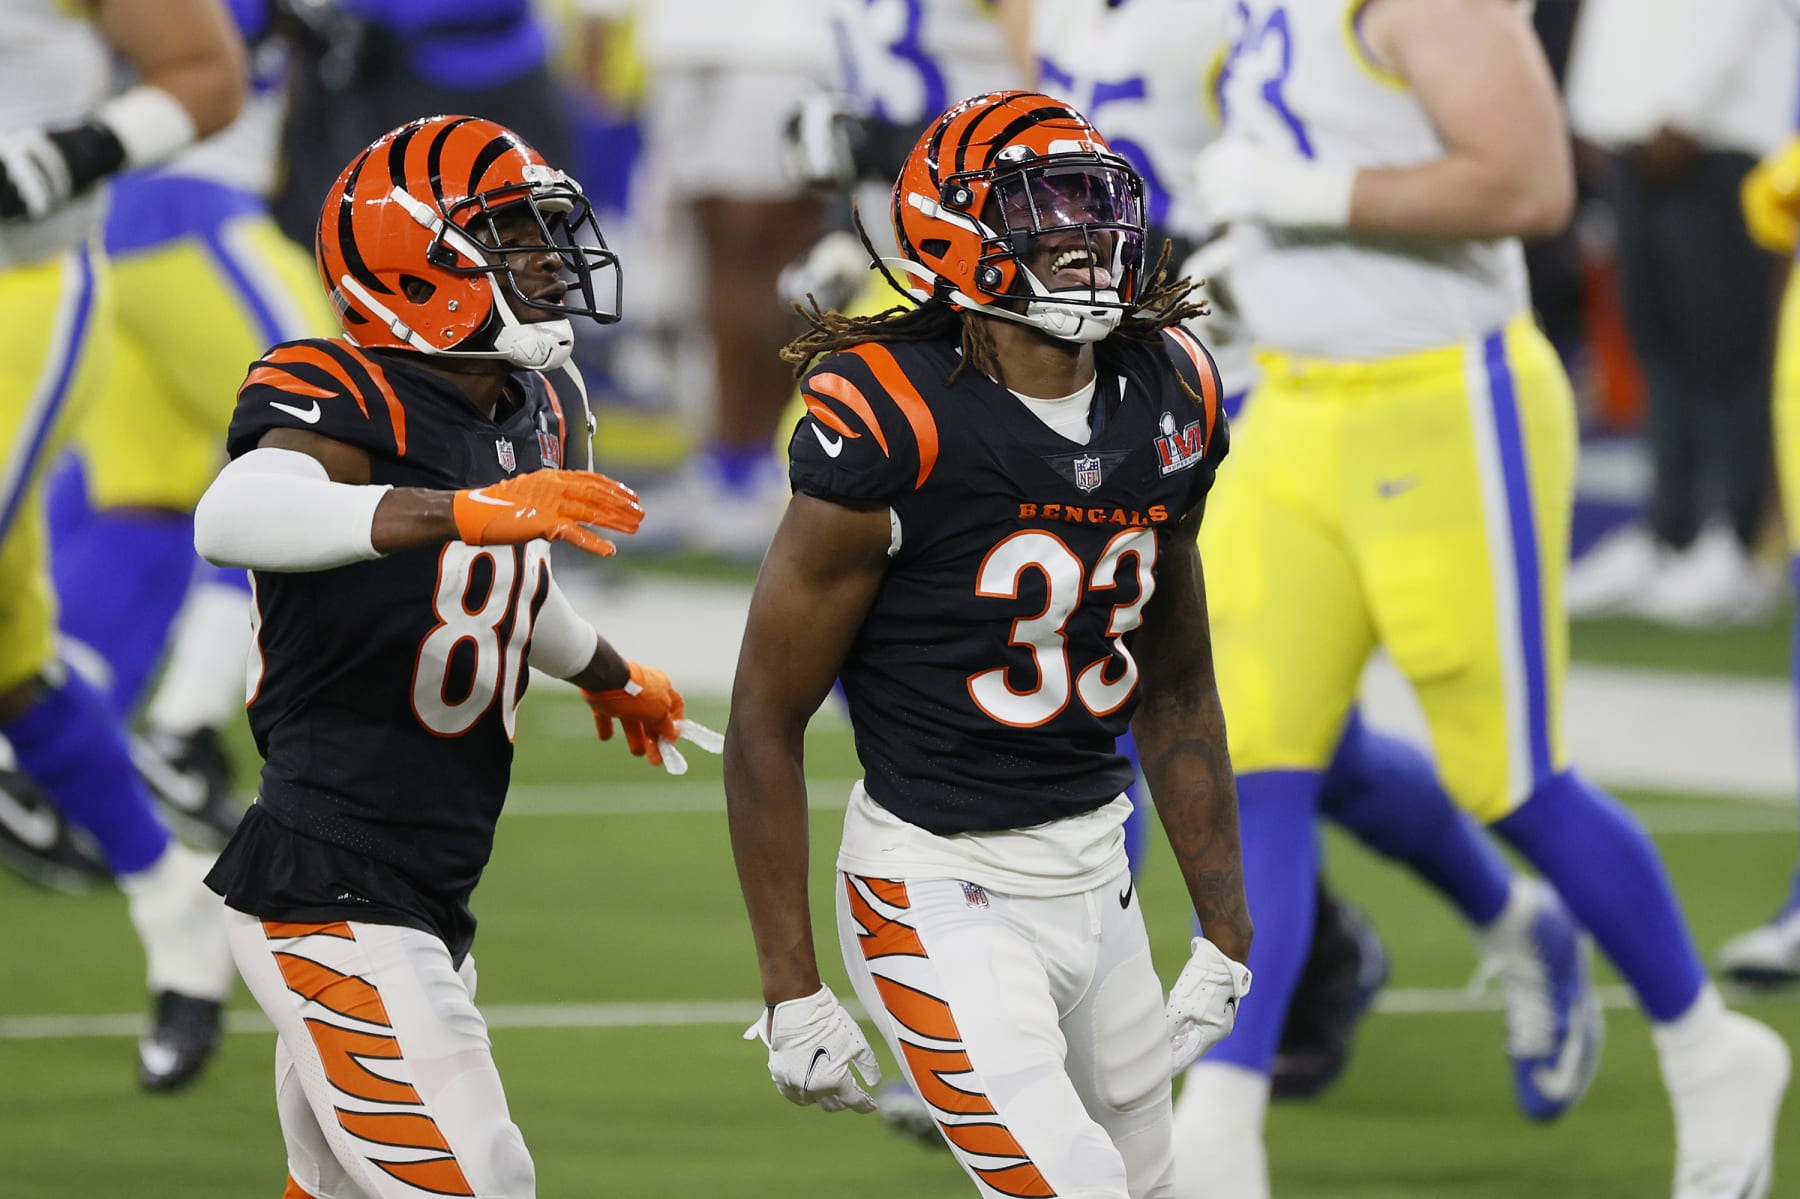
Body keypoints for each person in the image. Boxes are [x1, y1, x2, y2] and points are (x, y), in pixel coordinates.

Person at [1173, 1, 1790, 1195]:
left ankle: (1713, 1050)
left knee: (1507, 771)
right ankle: (1219, 1122)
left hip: (1445, 406)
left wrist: (1309, 197)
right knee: (1252, 759)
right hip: (1292, 403)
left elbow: (1527, 186)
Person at [1036, 0, 1595, 1110]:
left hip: (1252, 365)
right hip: (1121, 354)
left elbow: (1313, 151)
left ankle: (1076, 1025)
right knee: (1278, 730)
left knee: (1181, 701)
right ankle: (1503, 918)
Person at [726, 90, 1252, 1199]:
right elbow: (765, 721)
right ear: (956, 234)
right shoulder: (897, 417)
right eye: (1043, 209)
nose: (1083, 236)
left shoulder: (1170, 387)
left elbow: (1176, 679)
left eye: (1093, 204)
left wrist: (1224, 924)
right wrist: (791, 987)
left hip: (1097, 875)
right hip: (934, 883)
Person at [194, 114, 709, 1199]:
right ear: (417, 263)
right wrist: (459, 508)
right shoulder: (340, 386)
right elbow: (234, 514)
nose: (548, 257)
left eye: (541, 229)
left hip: (424, 881)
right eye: (511, 233)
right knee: (482, 1179)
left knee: (335, 1184)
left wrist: (607, 669)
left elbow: (496, 589)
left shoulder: (530, 400)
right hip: (330, 876)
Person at [0, 0, 246, 1091]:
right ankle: (170, 895)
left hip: (21, 284)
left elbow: (203, 67)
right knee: (9, 657)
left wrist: (80, 147)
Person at [1561, 0, 1790, 626]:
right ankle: (1671, 533)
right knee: (1660, 353)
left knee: (1730, 353)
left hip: (1723, 143)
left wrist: (1684, 113)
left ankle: (1742, 543)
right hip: (1636, 143)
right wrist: (1591, 112)